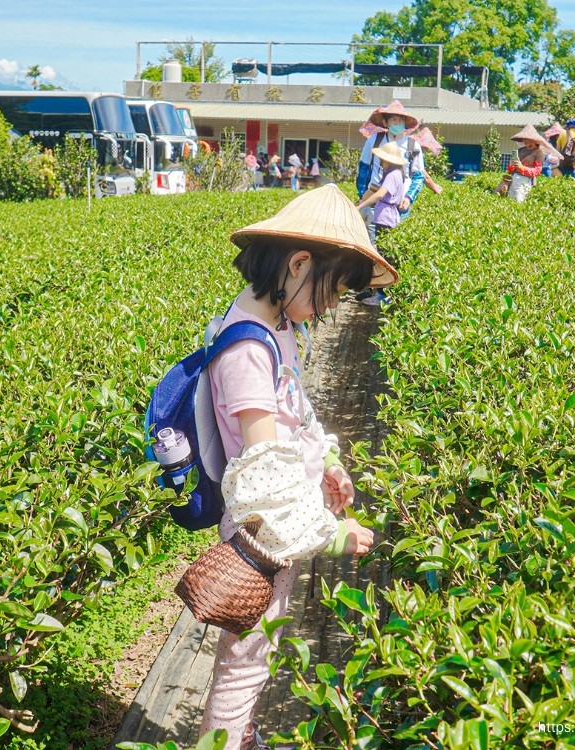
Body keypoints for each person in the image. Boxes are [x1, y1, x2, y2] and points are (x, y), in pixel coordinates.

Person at [198, 184, 389, 750]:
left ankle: (242, 735)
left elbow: (296, 411)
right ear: (299, 263)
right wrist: (333, 535)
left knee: (259, 649)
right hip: (261, 538)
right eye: (331, 291)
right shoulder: (246, 353)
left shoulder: (277, 327)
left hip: (281, 532)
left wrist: (327, 459)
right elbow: (266, 485)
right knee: (246, 661)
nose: (331, 306)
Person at [356, 100, 442, 226]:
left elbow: (418, 176)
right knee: (373, 240)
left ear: (405, 123)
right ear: (386, 123)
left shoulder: (413, 146)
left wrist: (409, 197)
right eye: (393, 120)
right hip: (374, 200)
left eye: (400, 120)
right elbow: (363, 170)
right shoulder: (374, 141)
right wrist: (362, 196)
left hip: (400, 204)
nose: (397, 123)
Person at [353, 142, 406, 306]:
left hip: (386, 219)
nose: (381, 162)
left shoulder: (392, 174)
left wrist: (361, 205)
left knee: (384, 258)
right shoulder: (397, 174)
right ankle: (382, 293)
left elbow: (381, 194)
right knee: (385, 255)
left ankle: (383, 295)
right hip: (388, 216)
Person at [495, 124, 561, 204]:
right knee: (510, 201)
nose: (525, 142)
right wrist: (511, 165)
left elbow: (537, 171)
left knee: (519, 202)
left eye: (527, 139)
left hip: (525, 181)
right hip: (514, 179)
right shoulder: (520, 150)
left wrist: (521, 167)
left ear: (533, 139)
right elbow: (510, 170)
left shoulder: (539, 153)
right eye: (523, 139)